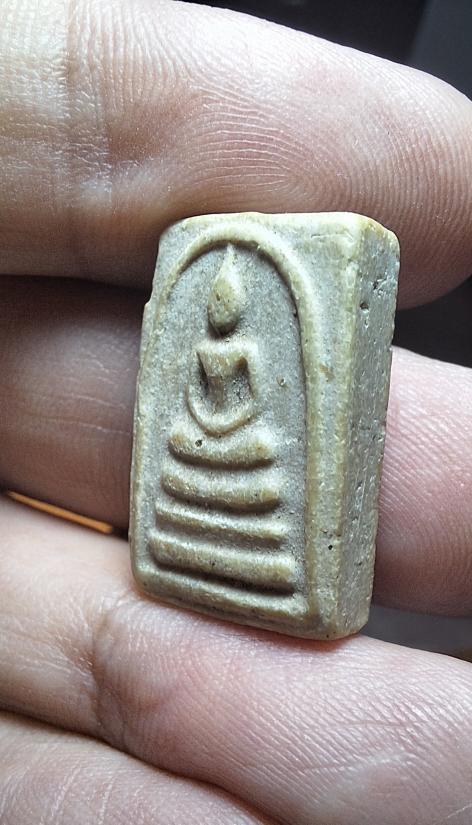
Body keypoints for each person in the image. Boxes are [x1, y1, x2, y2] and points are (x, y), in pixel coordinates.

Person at [1, 1, 471, 822]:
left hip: (245, 455)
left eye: (225, 304)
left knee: (259, 476)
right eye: (214, 304)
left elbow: (251, 405)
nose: (219, 316)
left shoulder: (249, 349)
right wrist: (205, 428)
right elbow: (193, 403)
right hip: (205, 449)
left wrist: (230, 429)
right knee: (189, 452)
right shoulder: (211, 342)